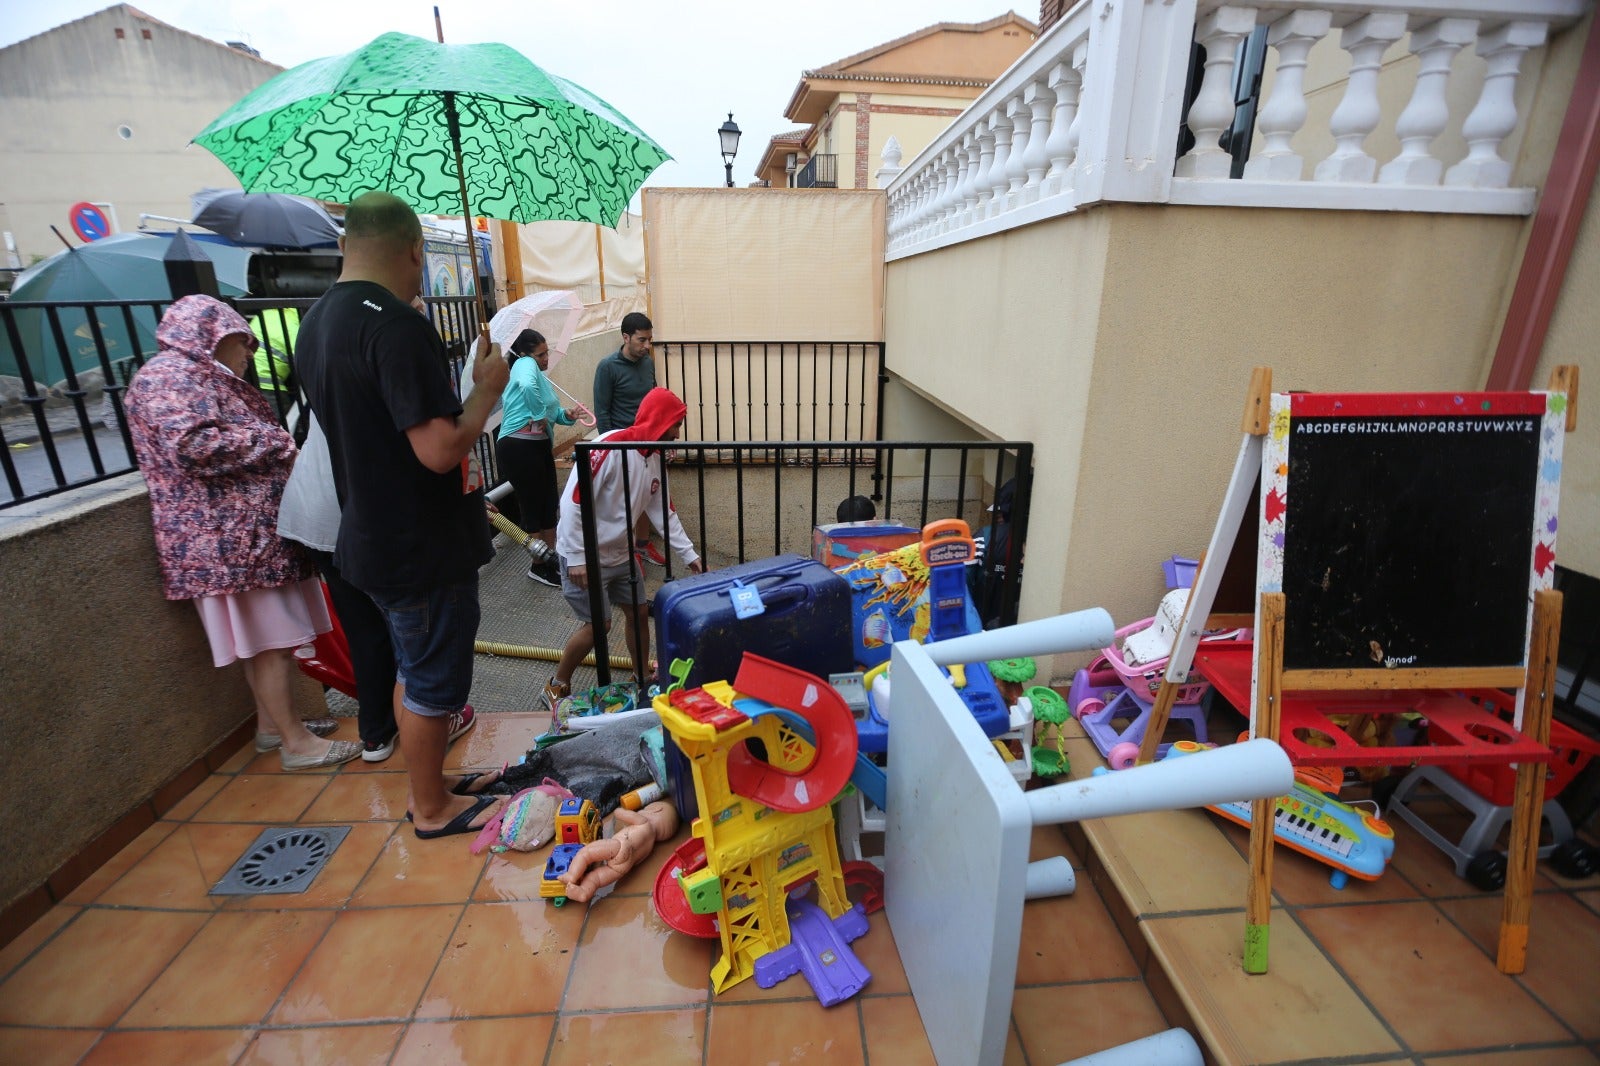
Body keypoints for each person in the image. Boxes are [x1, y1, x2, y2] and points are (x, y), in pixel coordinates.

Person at [294, 190, 507, 839]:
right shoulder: (395, 325)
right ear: (416, 251)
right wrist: (485, 391)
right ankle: (431, 808)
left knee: (410, 672)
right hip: (419, 547)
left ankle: (429, 786)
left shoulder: (317, 321)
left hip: (366, 537)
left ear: (344, 246)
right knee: (433, 684)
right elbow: (439, 449)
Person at [124, 294, 358, 771]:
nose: (251, 352)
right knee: (271, 643)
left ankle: (272, 728)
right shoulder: (174, 376)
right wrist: (275, 441)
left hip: (235, 539)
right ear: (214, 336)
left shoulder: (185, 375)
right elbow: (194, 445)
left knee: (267, 642)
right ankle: (296, 744)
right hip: (227, 542)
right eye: (243, 341)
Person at [544, 387, 704, 713]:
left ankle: (642, 677)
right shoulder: (610, 446)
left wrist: (691, 557)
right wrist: (577, 557)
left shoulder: (654, 458)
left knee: (639, 612)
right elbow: (573, 502)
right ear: (659, 421)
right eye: (675, 425)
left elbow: (664, 510)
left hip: (620, 552)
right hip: (584, 554)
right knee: (598, 626)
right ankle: (556, 684)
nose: (677, 434)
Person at [497, 328, 577, 588]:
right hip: (519, 446)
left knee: (548, 503)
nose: (546, 359)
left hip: (538, 445)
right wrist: (538, 413)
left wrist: (567, 415)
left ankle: (551, 560)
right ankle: (538, 566)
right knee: (532, 505)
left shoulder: (539, 378)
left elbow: (551, 413)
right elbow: (526, 387)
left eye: (546, 353)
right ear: (523, 354)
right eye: (541, 354)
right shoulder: (524, 365)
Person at [592, 312, 666, 567]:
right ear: (626, 337)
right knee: (624, 500)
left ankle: (642, 545)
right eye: (641, 340)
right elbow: (602, 411)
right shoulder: (607, 367)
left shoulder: (647, 363)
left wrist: (660, 436)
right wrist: (611, 449)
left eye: (650, 340)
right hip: (621, 444)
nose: (647, 345)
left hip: (647, 442)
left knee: (646, 493)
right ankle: (627, 551)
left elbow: (654, 400)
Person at [558, 800, 679, 903]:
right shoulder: (650, 846)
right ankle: (583, 892)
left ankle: (571, 875)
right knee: (596, 879)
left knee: (586, 853)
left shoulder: (644, 822)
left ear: (656, 810)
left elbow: (621, 813)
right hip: (625, 866)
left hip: (620, 846)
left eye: (647, 808)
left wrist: (619, 811)